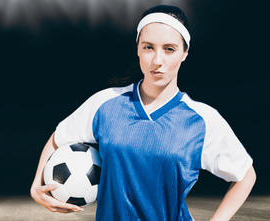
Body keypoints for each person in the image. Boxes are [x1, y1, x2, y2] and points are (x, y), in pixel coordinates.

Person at [30, 4, 256, 221]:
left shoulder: (202, 120)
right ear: (138, 48)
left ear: (185, 52)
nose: (157, 61)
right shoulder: (106, 103)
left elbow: (246, 175)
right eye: (149, 47)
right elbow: (58, 138)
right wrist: (36, 185)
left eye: (169, 49)